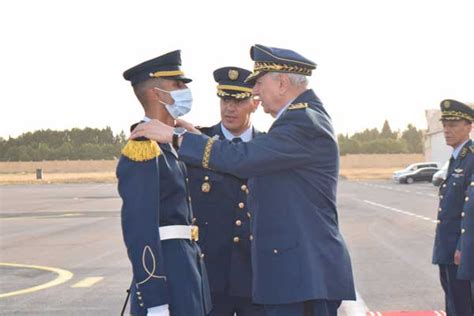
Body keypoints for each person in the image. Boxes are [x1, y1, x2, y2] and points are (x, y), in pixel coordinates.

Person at [130, 44, 356, 316]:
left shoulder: (303, 123)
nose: (256, 92)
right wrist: (197, 137)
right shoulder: (300, 120)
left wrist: (177, 138)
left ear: (282, 82)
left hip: (300, 277)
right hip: (292, 277)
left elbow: (244, 158)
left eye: (259, 83)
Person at [117, 50, 212, 316]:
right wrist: (155, 300)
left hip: (188, 273)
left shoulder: (172, 144)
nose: (185, 90)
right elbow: (139, 230)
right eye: (178, 85)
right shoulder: (143, 148)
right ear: (157, 94)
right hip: (168, 280)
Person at [186, 66, 264, 316]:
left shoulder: (269, 147)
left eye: (239, 100)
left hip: (257, 278)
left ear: (254, 103)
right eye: (225, 99)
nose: (230, 107)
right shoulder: (196, 145)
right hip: (209, 277)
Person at [432, 99, 473, 315]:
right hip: (447, 247)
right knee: (453, 304)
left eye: (454, 125)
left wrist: (461, 246)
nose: (447, 130)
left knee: (463, 304)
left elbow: (470, 207)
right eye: (445, 125)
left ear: (469, 126)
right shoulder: (456, 159)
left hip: (461, 249)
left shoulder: (471, 158)